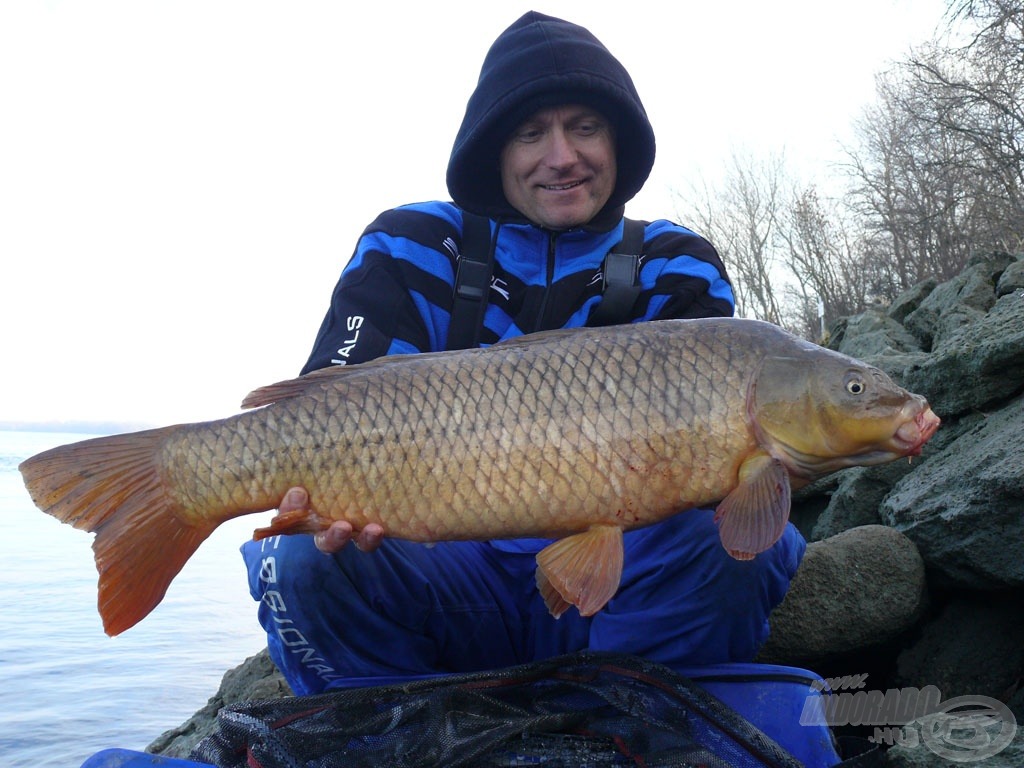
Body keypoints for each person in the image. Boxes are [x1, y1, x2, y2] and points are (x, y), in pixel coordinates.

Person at [242, 10, 805, 697]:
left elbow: (733, 478)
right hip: (447, 579)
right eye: (530, 132)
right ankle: (402, 730)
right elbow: (328, 400)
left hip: (627, 590)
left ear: (618, 141)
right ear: (494, 152)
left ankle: (631, 720)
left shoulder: (675, 263)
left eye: (585, 127)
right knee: (294, 557)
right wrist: (322, 506)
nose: (562, 156)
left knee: (738, 542)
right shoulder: (408, 245)